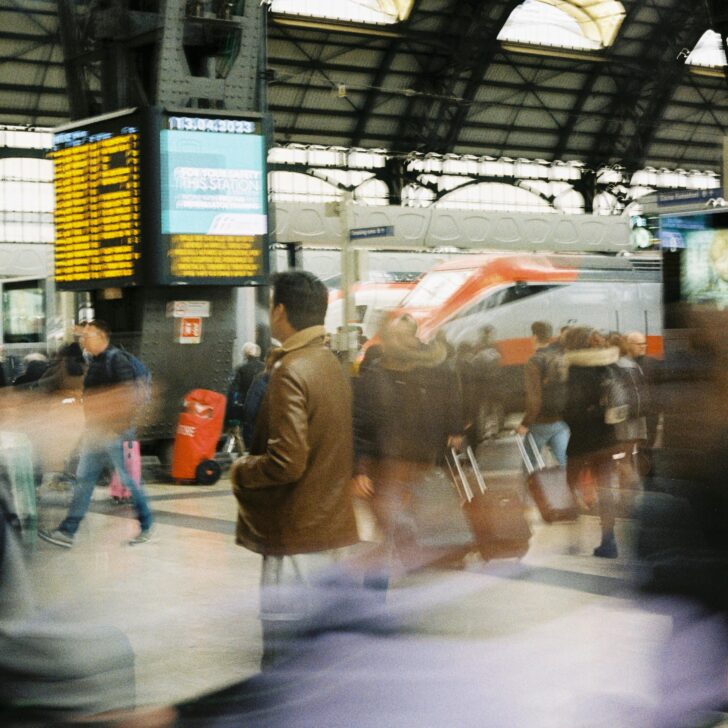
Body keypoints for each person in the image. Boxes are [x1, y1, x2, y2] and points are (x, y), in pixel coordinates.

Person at [230, 271, 359, 668]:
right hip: (328, 524)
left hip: (295, 530)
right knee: (319, 650)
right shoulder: (330, 363)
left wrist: (241, 470)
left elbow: (287, 461)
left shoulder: (291, 371)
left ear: (281, 310)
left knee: (284, 658)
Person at [353, 314, 464, 577]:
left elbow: (449, 403)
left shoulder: (430, 375)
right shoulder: (373, 378)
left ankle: (412, 562)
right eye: (395, 336)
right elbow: (358, 423)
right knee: (390, 526)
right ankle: (383, 581)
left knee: (417, 523)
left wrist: (453, 431)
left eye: (406, 335)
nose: (401, 342)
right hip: (386, 466)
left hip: (421, 464)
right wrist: (357, 469)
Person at [38, 321, 154, 548]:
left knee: (130, 479)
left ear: (103, 337)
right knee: (84, 481)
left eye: (88, 336)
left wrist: (114, 427)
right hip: (97, 431)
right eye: (83, 337)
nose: (84, 340)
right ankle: (67, 531)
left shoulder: (116, 359)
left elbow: (128, 396)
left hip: (115, 432)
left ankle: (147, 524)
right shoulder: (97, 361)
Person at [562, 326, 621, 558]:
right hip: (607, 439)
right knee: (605, 489)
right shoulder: (609, 365)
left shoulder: (577, 370)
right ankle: (609, 541)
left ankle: (574, 540)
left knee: (570, 487)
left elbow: (571, 411)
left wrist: (578, 414)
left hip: (582, 441)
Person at [516, 321, 570, 467]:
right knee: (564, 462)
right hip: (561, 420)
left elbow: (534, 398)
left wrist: (525, 423)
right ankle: (571, 488)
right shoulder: (560, 357)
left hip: (541, 422)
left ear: (534, 336)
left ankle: (530, 490)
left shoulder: (534, 362)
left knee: (529, 466)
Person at [226, 342, 264, 426]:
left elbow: (233, 390)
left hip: (246, 407)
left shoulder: (241, 368)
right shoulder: (265, 368)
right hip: (263, 407)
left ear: (245, 354)